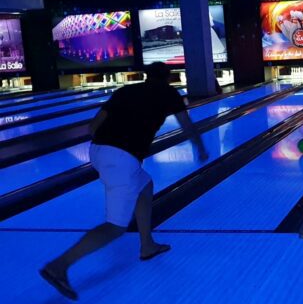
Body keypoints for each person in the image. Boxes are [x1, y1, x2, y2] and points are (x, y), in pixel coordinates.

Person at [39, 62, 208, 300]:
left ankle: (147, 245)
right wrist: (199, 147)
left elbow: (93, 126)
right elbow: (186, 124)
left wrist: (109, 148)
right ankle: (58, 267)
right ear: (168, 76)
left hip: (98, 151)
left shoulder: (126, 90)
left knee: (145, 185)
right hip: (121, 159)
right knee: (114, 227)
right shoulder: (169, 92)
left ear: (146, 76)